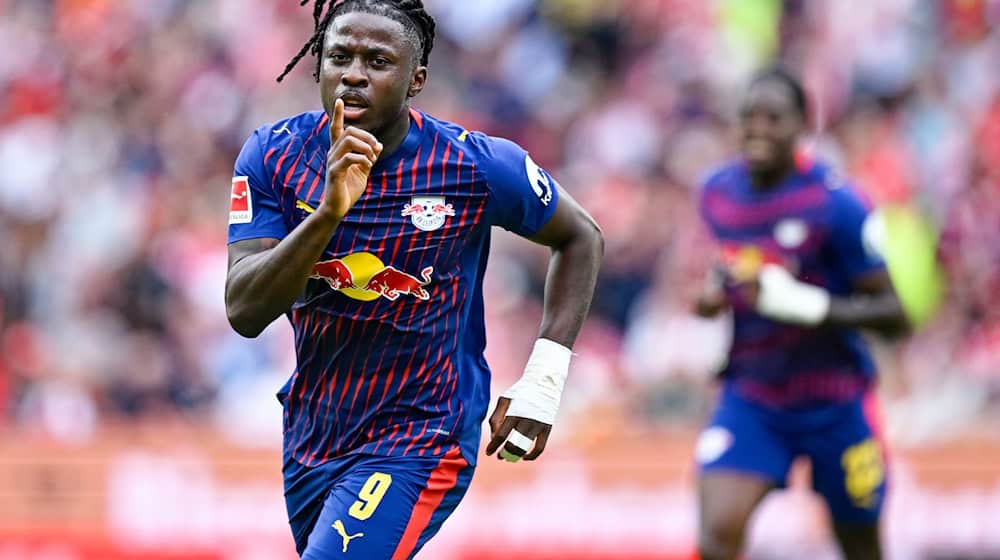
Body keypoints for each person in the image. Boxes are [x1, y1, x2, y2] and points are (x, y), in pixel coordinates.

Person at [223, 1, 604, 558]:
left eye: (378, 60)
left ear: (416, 78)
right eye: (339, 57)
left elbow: (581, 236)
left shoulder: (473, 166)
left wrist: (543, 383)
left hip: (424, 435)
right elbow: (244, 311)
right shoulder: (273, 156)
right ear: (318, 68)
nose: (354, 74)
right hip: (315, 432)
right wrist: (328, 214)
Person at [693, 67, 909, 560]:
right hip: (754, 395)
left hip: (834, 398)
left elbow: (896, 316)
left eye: (774, 117)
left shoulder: (839, 204)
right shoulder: (718, 194)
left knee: (860, 546)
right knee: (716, 534)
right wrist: (713, 294)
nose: (758, 128)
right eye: (749, 116)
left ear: (803, 126)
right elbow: (728, 267)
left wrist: (811, 306)